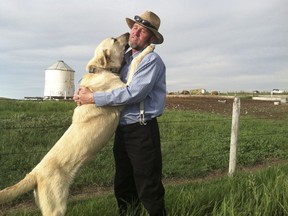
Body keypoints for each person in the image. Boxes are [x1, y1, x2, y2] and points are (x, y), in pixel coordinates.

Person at [74, 11, 166, 216]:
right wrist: (82, 91)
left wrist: (93, 98)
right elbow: (101, 75)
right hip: (122, 129)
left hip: (142, 130)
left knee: (148, 186)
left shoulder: (151, 61)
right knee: (123, 184)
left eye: (143, 31)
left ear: (151, 39)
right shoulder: (123, 59)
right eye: (135, 28)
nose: (135, 33)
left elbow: (132, 93)